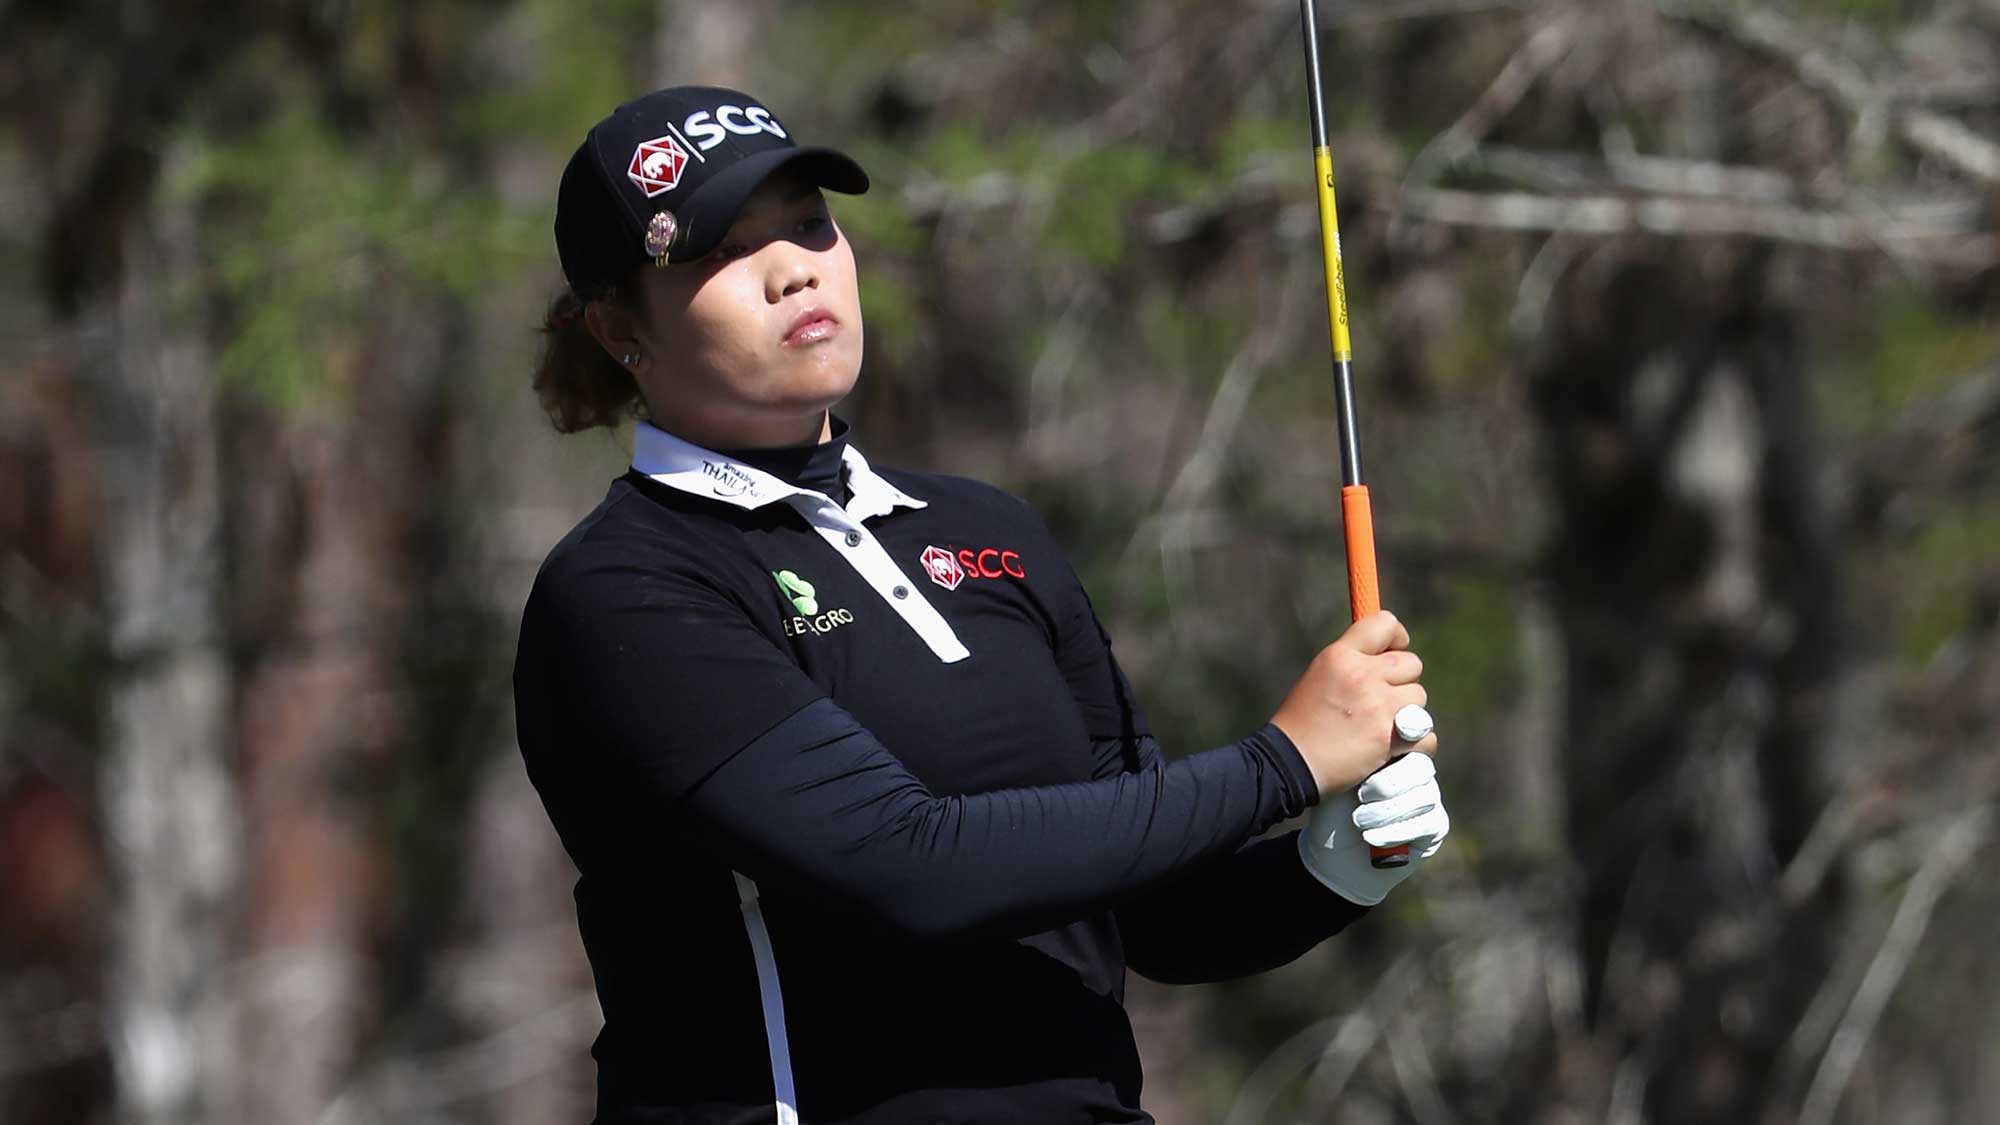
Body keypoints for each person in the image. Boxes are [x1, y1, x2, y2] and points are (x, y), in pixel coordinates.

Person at [513, 85, 1451, 1125]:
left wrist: (1332, 868)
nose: (795, 269)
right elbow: (908, 867)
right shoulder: (627, 587)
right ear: (615, 326)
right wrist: (1280, 763)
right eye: (722, 252)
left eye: (809, 223)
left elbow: (1153, 916)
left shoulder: (986, 529)